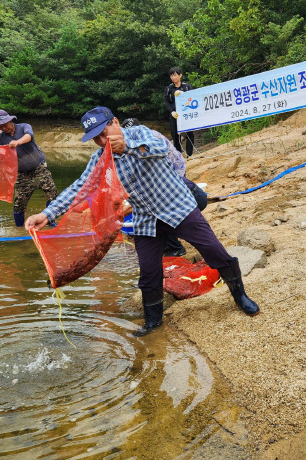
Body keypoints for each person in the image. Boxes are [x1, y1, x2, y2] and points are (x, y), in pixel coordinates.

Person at [25, 106, 260, 336]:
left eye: (104, 133)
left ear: (115, 122)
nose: (102, 141)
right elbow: (80, 188)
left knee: (214, 250)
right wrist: (47, 214)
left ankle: (240, 296)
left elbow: (160, 148)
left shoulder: (141, 134)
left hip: (178, 207)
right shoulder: (100, 159)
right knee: (148, 272)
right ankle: (153, 323)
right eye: (96, 139)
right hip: (146, 220)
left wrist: (127, 147)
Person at [122, 117, 208, 257]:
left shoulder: (145, 142)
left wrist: (118, 215)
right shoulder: (148, 135)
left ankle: (174, 249)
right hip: (178, 177)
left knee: (159, 212)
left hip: (174, 181)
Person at [0, 110, 58, 227]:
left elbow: (29, 136)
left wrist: (17, 142)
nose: (3, 128)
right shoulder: (1, 138)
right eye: (0, 126)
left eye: (5, 124)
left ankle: (50, 221)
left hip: (39, 167)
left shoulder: (24, 127)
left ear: (10, 120)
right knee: (19, 203)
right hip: (21, 173)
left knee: (52, 193)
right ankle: (20, 228)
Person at [163, 67, 195, 157]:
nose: (173, 78)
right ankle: (179, 156)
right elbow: (166, 102)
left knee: (189, 134)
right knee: (175, 135)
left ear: (180, 75)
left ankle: (190, 154)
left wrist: (182, 93)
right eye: (172, 76)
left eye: (175, 75)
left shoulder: (187, 87)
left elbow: (193, 97)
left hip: (186, 114)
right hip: (175, 115)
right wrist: (171, 112)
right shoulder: (168, 89)